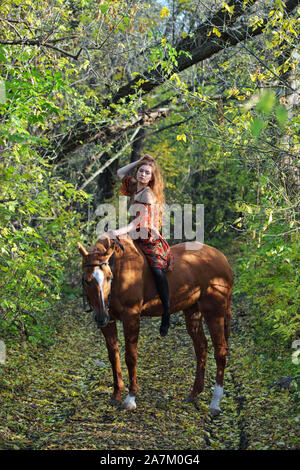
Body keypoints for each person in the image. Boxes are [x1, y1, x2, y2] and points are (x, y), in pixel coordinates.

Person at [106, 154, 174, 337]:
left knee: (157, 270)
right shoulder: (134, 187)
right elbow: (120, 173)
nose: (143, 174)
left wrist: (118, 232)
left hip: (148, 238)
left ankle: (167, 311)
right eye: (141, 171)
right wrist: (139, 161)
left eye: (147, 173)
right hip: (133, 236)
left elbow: (138, 222)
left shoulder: (148, 195)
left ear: (152, 177)